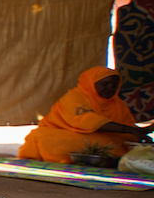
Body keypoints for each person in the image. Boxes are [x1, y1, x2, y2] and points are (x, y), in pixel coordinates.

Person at [18, 66, 150, 163]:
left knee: (117, 141)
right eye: (105, 84)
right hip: (65, 133)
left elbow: (128, 127)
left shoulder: (117, 103)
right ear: (91, 83)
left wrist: (138, 133)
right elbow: (86, 120)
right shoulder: (74, 97)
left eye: (114, 85)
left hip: (104, 137)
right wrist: (131, 130)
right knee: (40, 136)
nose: (110, 88)